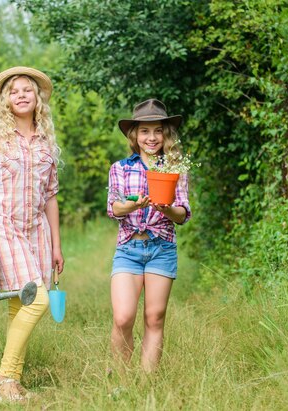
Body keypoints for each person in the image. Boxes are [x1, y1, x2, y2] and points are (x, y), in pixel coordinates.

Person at [0, 66, 64, 401]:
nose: (21, 95)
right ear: (6, 101)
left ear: (38, 99)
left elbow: (50, 196)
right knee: (37, 299)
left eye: (27, 90)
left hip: (36, 228)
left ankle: (12, 383)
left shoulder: (47, 145)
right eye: (14, 91)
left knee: (19, 303)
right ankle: (3, 377)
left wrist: (56, 245)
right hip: (2, 222)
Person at [106, 99, 191, 372]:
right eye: (145, 131)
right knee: (122, 317)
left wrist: (166, 208)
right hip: (129, 248)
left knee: (154, 318)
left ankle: (145, 385)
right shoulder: (120, 168)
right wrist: (132, 205)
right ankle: (119, 381)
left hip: (161, 248)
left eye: (157, 131)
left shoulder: (175, 168)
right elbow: (114, 208)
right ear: (135, 135)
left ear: (166, 134)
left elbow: (183, 214)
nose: (151, 137)